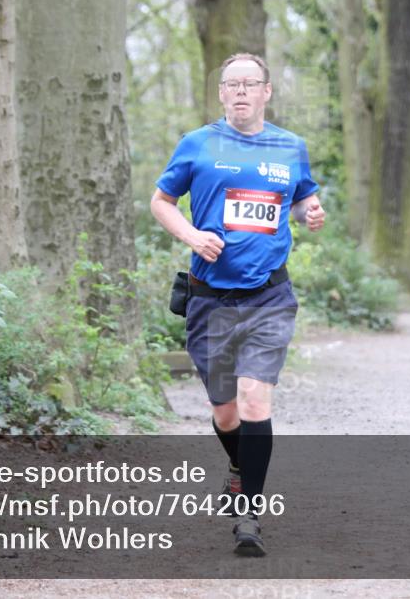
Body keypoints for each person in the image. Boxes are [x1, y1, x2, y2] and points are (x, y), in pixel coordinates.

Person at [150, 52, 325, 557]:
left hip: (270, 293)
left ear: (267, 91)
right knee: (225, 412)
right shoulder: (197, 144)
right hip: (209, 298)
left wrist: (309, 209)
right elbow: (161, 201)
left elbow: (300, 196)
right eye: (233, 84)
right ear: (222, 93)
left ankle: (249, 512)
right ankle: (237, 466)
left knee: (254, 400)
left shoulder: (291, 147)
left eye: (251, 83)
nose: (242, 91)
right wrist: (191, 233)